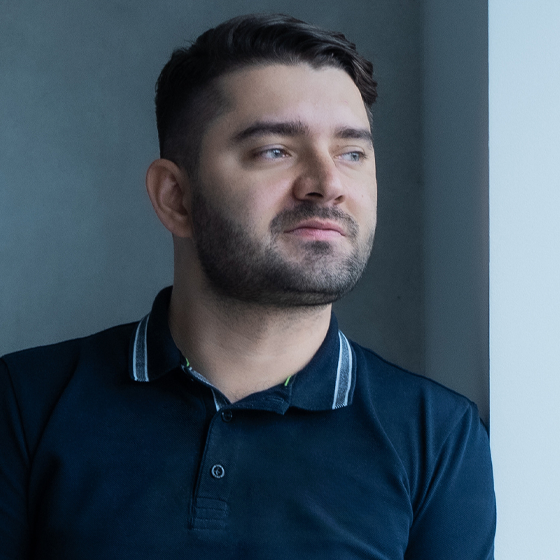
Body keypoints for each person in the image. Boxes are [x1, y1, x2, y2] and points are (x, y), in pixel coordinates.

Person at [0, 13, 495, 559]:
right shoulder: (23, 405)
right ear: (174, 197)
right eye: (274, 150)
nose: (327, 183)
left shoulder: (438, 436)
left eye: (351, 153)